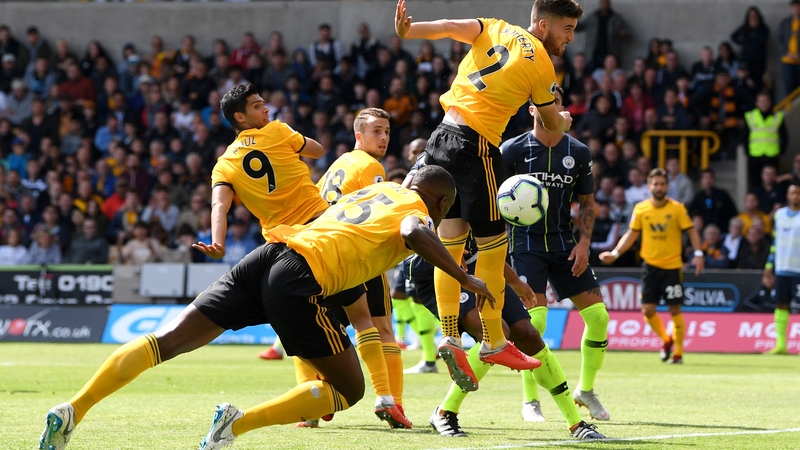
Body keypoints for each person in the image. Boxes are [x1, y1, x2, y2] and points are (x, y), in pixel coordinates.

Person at [38, 166, 492, 450]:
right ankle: (235, 426)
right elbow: (414, 230)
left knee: (168, 341)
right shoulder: (417, 206)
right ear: (439, 201)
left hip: (270, 254)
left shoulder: (375, 192)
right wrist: (464, 275)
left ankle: (73, 410)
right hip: (301, 277)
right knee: (348, 390)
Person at [394, 0, 581, 391]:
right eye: (567, 28)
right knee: (494, 245)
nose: (570, 37)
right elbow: (548, 120)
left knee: (453, 241)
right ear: (544, 25)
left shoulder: (494, 26)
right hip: (475, 145)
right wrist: (561, 119)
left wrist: (409, 31)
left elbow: (445, 25)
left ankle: (448, 334)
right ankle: (494, 341)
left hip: (441, 136)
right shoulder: (543, 64)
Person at [501, 85, 610, 421]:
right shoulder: (512, 150)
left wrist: (584, 244)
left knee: (598, 318)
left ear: (563, 109)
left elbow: (587, 203)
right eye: (542, 104)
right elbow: (495, 201)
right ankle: (530, 400)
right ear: (532, 110)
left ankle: (586, 390)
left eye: (557, 103)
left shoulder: (578, 152)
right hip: (525, 245)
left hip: (565, 244)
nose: (550, 108)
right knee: (534, 321)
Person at [600, 168, 705, 364]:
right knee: (647, 310)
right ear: (649, 186)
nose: (659, 187)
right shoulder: (641, 209)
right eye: (655, 184)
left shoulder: (677, 209)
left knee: (675, 310)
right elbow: (631, 234)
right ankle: (666, 340)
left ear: (667, 186)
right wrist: (615, 253)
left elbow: (691, 232)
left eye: (662, 184)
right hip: (650, 266)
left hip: (672, 267)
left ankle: (679, 352)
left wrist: (698, 254)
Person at [763, 182, 800, 355]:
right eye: (792, 193)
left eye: (798, 193)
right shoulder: (779, 215)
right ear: (787, 195)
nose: (795, 196)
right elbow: (775, 242)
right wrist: (769, 266)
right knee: (781, 304)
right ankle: (781, 344)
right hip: (782, 268)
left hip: (798, 270)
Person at [744, 93, 787, 189]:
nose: (763, 104)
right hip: (755, 155)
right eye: (761, 101)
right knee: (756, 182)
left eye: (766, 101)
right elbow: (744, 136)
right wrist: (747, 152)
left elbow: (784, 136)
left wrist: (781, 151)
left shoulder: (778, 116)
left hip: (772, 154)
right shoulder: (750, 116)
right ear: (756, 103)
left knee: (774, 182)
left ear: (770, 103)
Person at [575, 0, 630, 71]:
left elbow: (628, 31)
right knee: (592, 73)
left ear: (609, 5)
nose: (604, 6)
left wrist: (623, 33)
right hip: (594, 53)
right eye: (603, 3)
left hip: (609, 53)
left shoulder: (616, 18)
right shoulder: (593, 17)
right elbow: (579, 28)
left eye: (606, 4)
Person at [731, 6, 770, 91]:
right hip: (746, 59)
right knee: (746, 82)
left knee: (757, 82)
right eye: (751, 15)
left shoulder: (763, 28)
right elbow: (733, 36)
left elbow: (762, 40)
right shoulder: (745, 28)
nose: (753, 17)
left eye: (755, 15)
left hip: (758, 61)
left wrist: (755, 28)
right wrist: (744, 44)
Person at [779, 0, 800, 96]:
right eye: (794, 8)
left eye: (798, 7)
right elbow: (780, 39)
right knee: (789, 85)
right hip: (787, 60)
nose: (796, 10)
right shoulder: (785, 23)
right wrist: (786, 53)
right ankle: (790, 109)